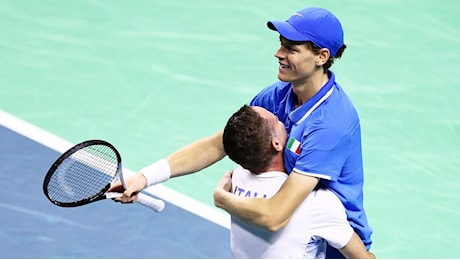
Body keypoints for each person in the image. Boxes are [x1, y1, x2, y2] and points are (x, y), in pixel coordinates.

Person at [112, 6, 373, 258]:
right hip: (289, 220)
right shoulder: (276, 96)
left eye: (290, 49)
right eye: (281, 44)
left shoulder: (331, 124)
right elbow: (218, 143)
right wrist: (144, 177)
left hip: (329, 242)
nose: (278, 53)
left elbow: (275, 216)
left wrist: (223, 199)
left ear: (321, 56)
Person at [222, 104, 374, 258]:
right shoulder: (317, 204)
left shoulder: (235, 179)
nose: (285, 122)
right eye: (277, 120)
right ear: (276, 144)